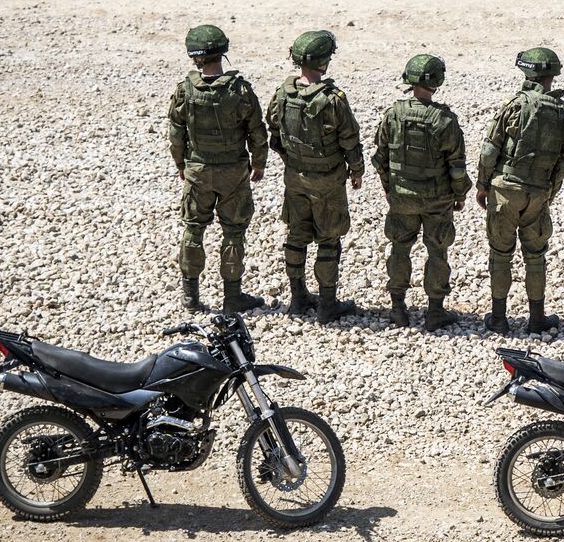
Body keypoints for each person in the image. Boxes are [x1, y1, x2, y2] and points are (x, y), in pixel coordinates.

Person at [166, 25, 268, 313]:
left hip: (198, 171)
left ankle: (191, 296)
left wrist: (180, 164)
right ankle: (232, 297)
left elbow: (176, 134)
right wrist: (259, 163)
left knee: (193, 229)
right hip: (234, 172)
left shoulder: (185, 91)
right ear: (222, 52)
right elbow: (257, 132)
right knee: (234, 232)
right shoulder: (239, 90)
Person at [475, 48, 564, 335]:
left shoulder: (515, 106)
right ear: (552, 76)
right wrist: (549, 193)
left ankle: (498, 318)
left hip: (505, 189)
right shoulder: (563, 114)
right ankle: (536, 318)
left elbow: (489, 150)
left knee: (500, 254)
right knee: (535, 256)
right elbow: (563, 161)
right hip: (538, 192)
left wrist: (483, 185)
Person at [266, 30, 364, 324]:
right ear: (324, 62)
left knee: (296, 236)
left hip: (295, 178)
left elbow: (274, 131)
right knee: (328, 240)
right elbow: (350, 138)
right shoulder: (333, 99)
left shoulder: (283, 94)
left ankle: (297, 299)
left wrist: (292, 160)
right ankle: (327, 304)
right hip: (328, 181)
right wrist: (356, 170)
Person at [372, 54, 471, 331]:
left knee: (399, 248)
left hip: (401, 197)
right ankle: (435, 311)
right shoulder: (444, 120)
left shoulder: (393, 114)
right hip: (437, 200)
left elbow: (380, 158)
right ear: (437, 81)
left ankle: (398, 309)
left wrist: (389, 188)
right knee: (437, 251)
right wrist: (460, 194)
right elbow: (457, 166)